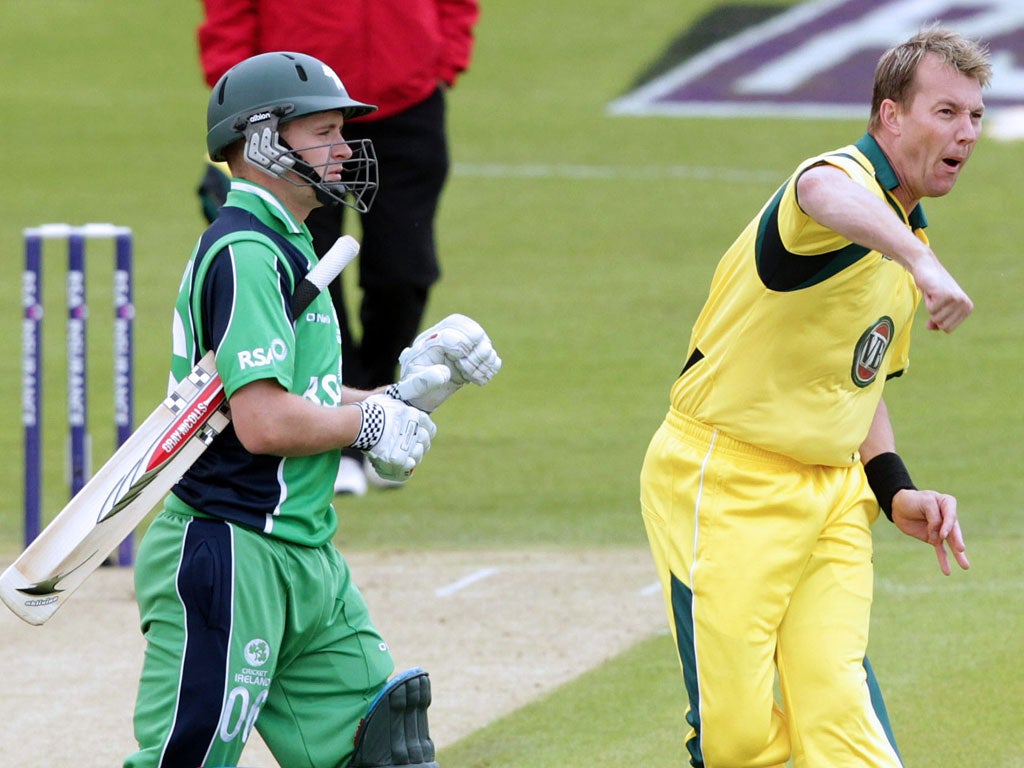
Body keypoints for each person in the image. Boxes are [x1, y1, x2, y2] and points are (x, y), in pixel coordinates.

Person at [125, 51, 500, 768]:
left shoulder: (292, 250)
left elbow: (314, 400)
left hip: (303, 552)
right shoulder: (244, 252)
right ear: (262, 139)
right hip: (231, 548)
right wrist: (368, 427)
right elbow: (262, 421)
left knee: (386, 750)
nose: (344, 150)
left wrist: (407, 391)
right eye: (324, 132)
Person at [639, 27, 989, 768]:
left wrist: (895, 489)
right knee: (733, 740)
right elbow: (816, 191)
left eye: (975, 116)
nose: (967, 133)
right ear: (891, 117)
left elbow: (858, 387)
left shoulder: (903, 230)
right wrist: (921, 261)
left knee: (840, 719)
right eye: (947, 112)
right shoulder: (843, 185)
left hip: (831, 494)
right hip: (726, 480)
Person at [196, 0, 481, 495]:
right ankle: (342, 435)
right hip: (293, 115)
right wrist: (242, 105)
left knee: (403, 272)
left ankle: (382, 408)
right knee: (307, 282)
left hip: (406, 99)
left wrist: (443, 58)